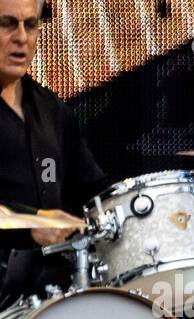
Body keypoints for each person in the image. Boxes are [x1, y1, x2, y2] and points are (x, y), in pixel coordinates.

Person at [0, 0, 107, 300]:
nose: (22, 37)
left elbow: (94, 190)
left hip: (54, 297)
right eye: (7, 24)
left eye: (30, 25)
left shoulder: (51, 109)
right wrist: (31, 225)